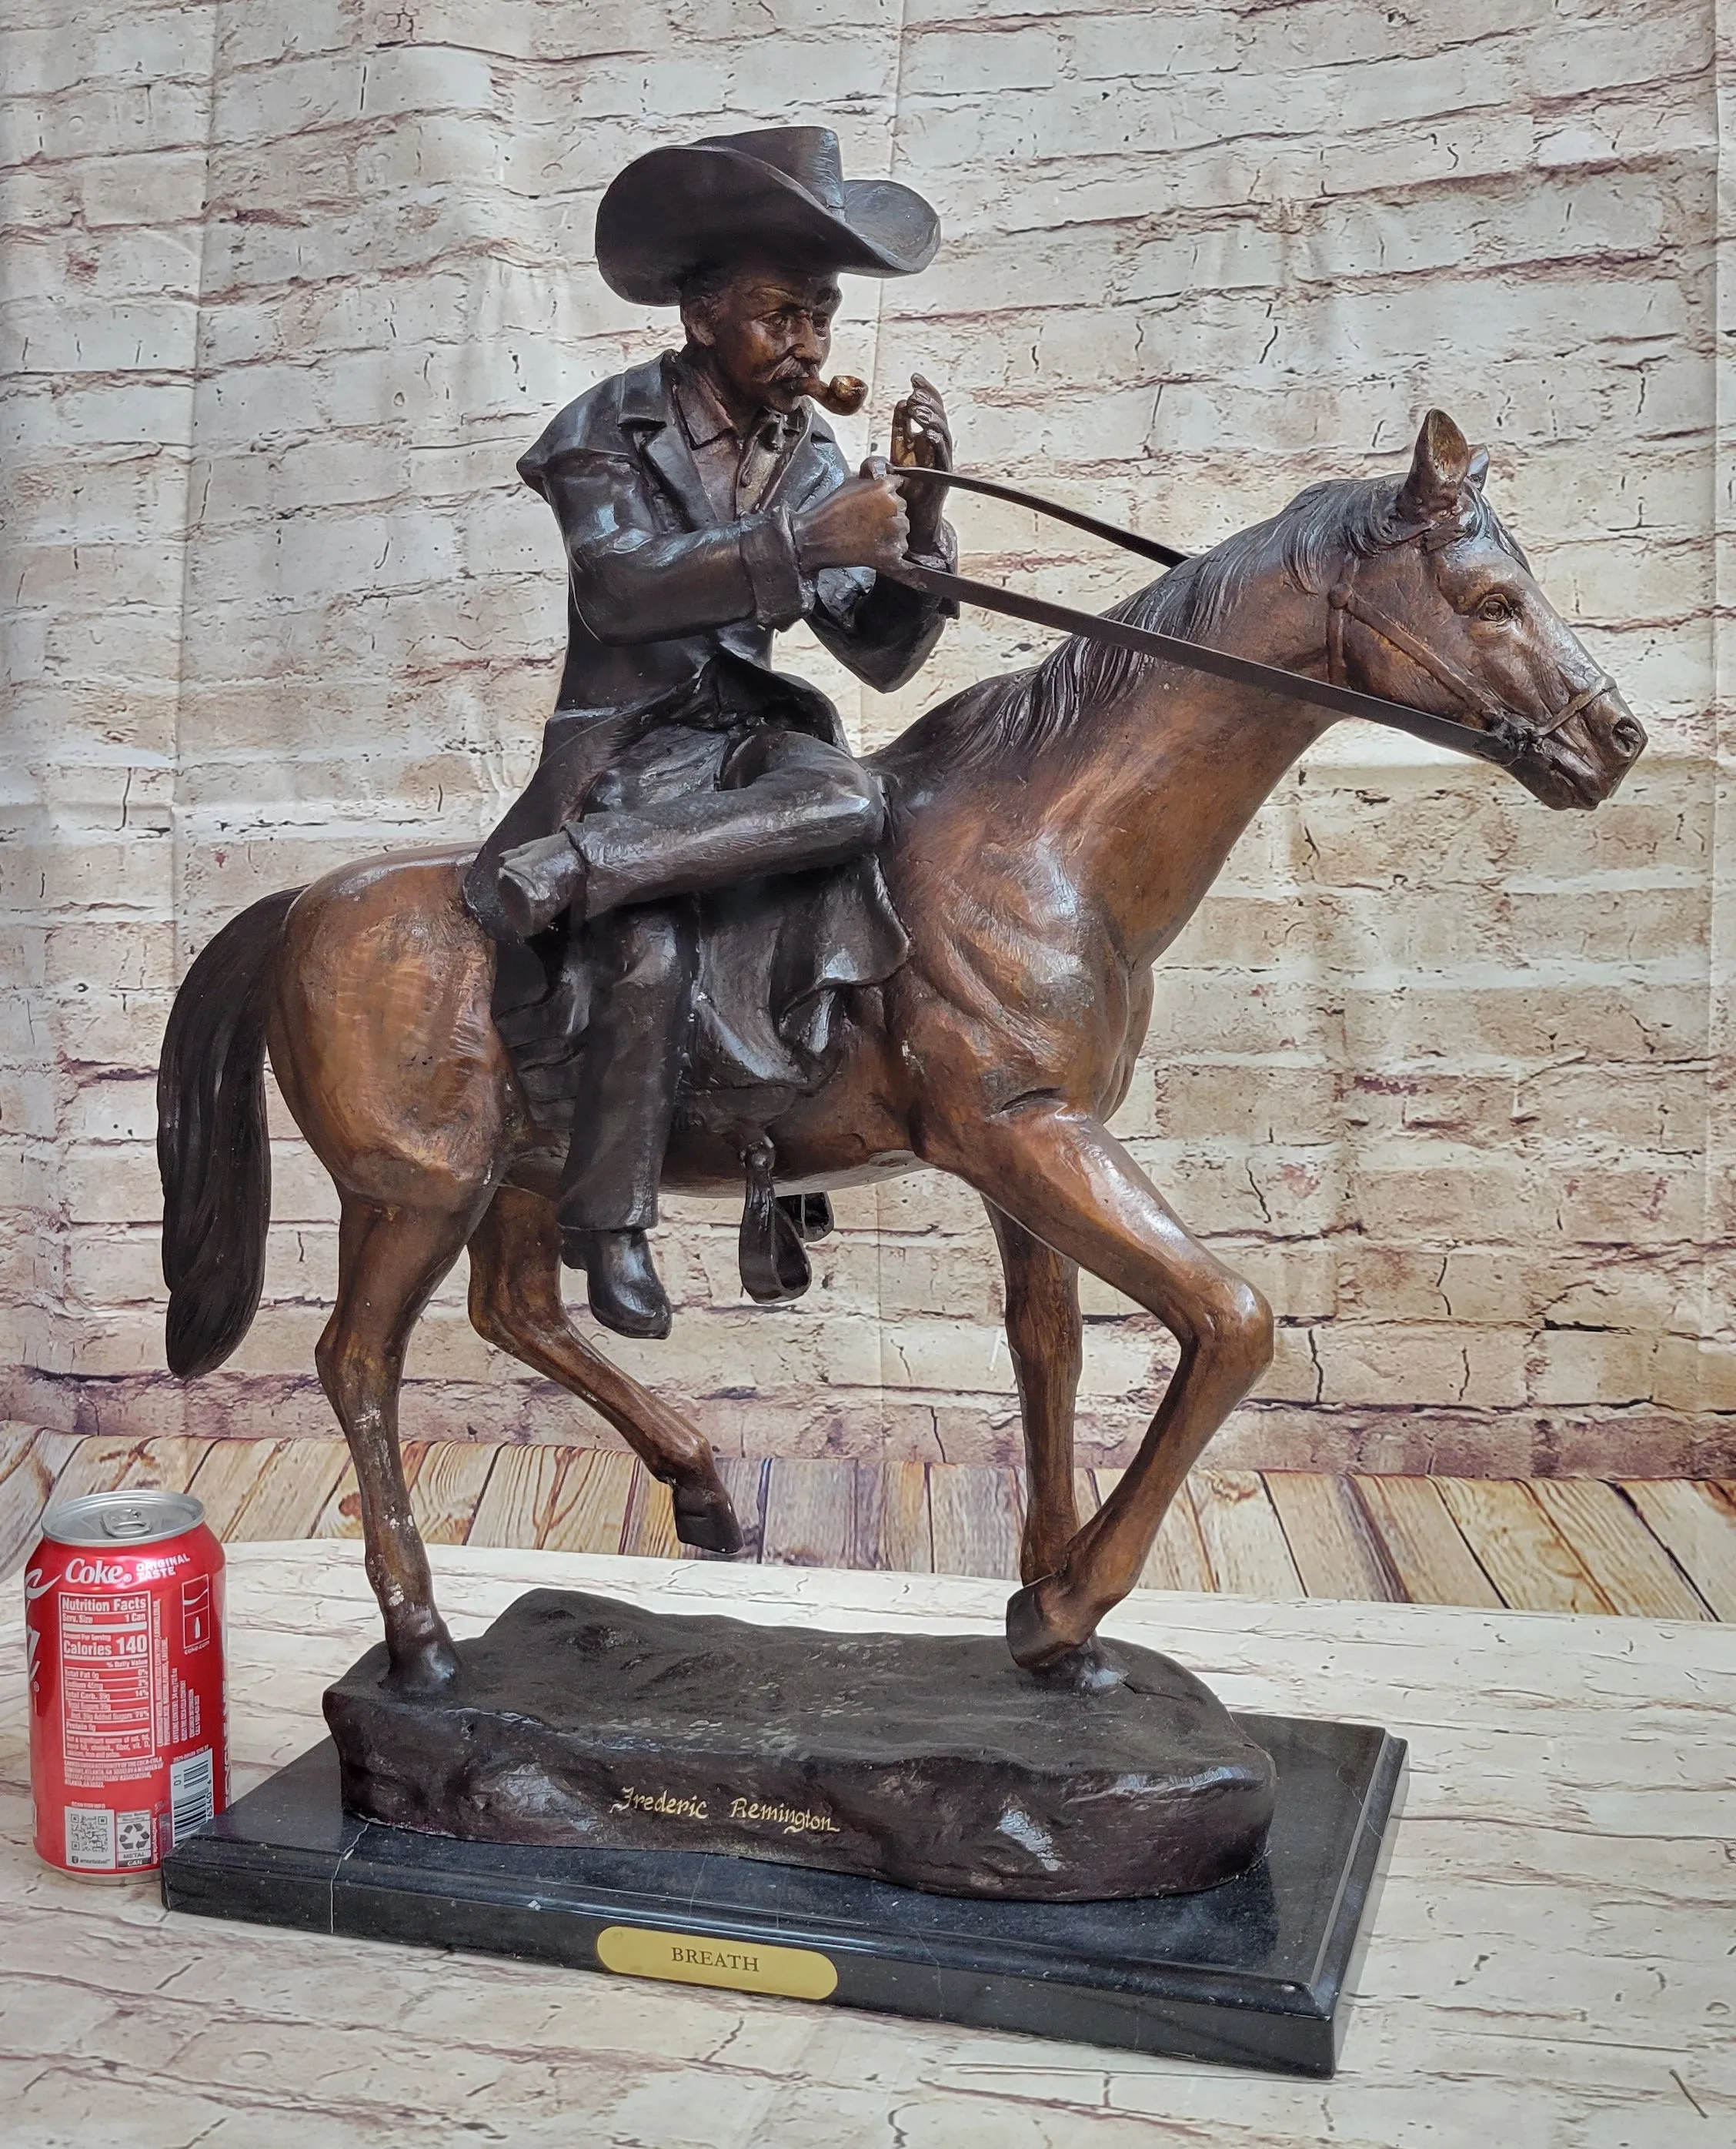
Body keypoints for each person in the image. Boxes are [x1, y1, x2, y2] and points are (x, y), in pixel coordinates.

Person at [464, 127, 957, 1339]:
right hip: (630, 746)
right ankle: (609, 1223)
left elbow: (876, 653)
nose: (805, 348)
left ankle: (571, 879)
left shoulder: (813, 450)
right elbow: (623, 591)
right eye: (779, 315)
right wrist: (807, 544)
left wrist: (925, 530)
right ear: (700, 312)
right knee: (651, 952)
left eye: (822, 319)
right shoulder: (604, 430)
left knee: (855, 804)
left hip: (747, 748)